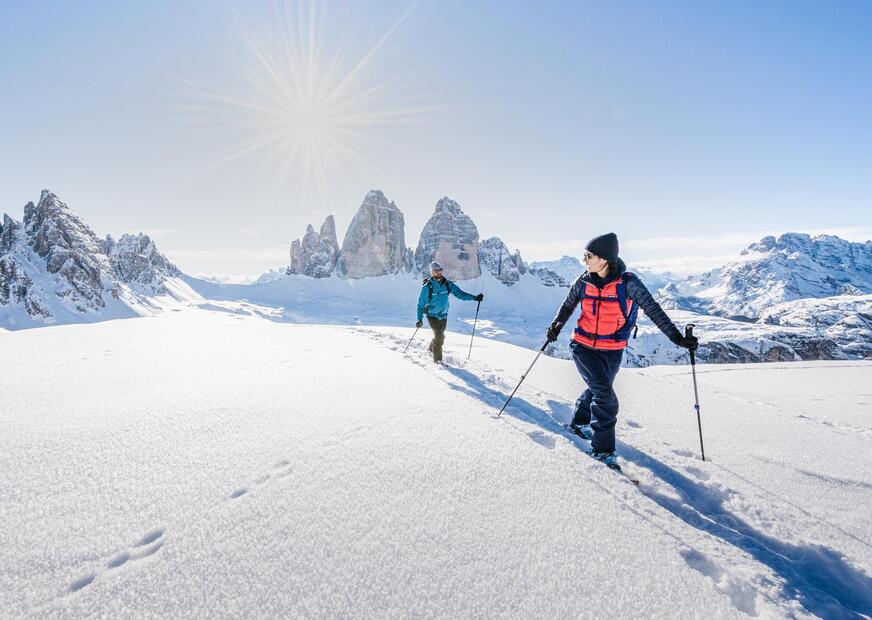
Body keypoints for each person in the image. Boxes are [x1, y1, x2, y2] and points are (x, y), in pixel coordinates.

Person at [546, 232, 698, 471]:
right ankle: (602, 450)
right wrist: (556, 325)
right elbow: (567, 306)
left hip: (612, 350)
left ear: (604, 259)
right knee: (606, 399)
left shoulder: (628, 284)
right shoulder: (583, 281)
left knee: (598, 388)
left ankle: (578, 422)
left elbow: (654, 311)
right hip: (583, 346)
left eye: (589, 256)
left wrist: (677, 338)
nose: (584, 260)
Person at [416, 261, 483, 364]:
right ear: (432, 272)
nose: (439, 273)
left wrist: (474, 298)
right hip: (432, 315)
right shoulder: (428, 287)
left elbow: (460, 294)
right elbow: (420, 305)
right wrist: (419, 319)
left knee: (441, 337)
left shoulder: (447, 284)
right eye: (436, 271)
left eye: (440, 270)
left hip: (444, 315)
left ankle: (431, 348)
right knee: (439, 338)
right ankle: (438, 361)